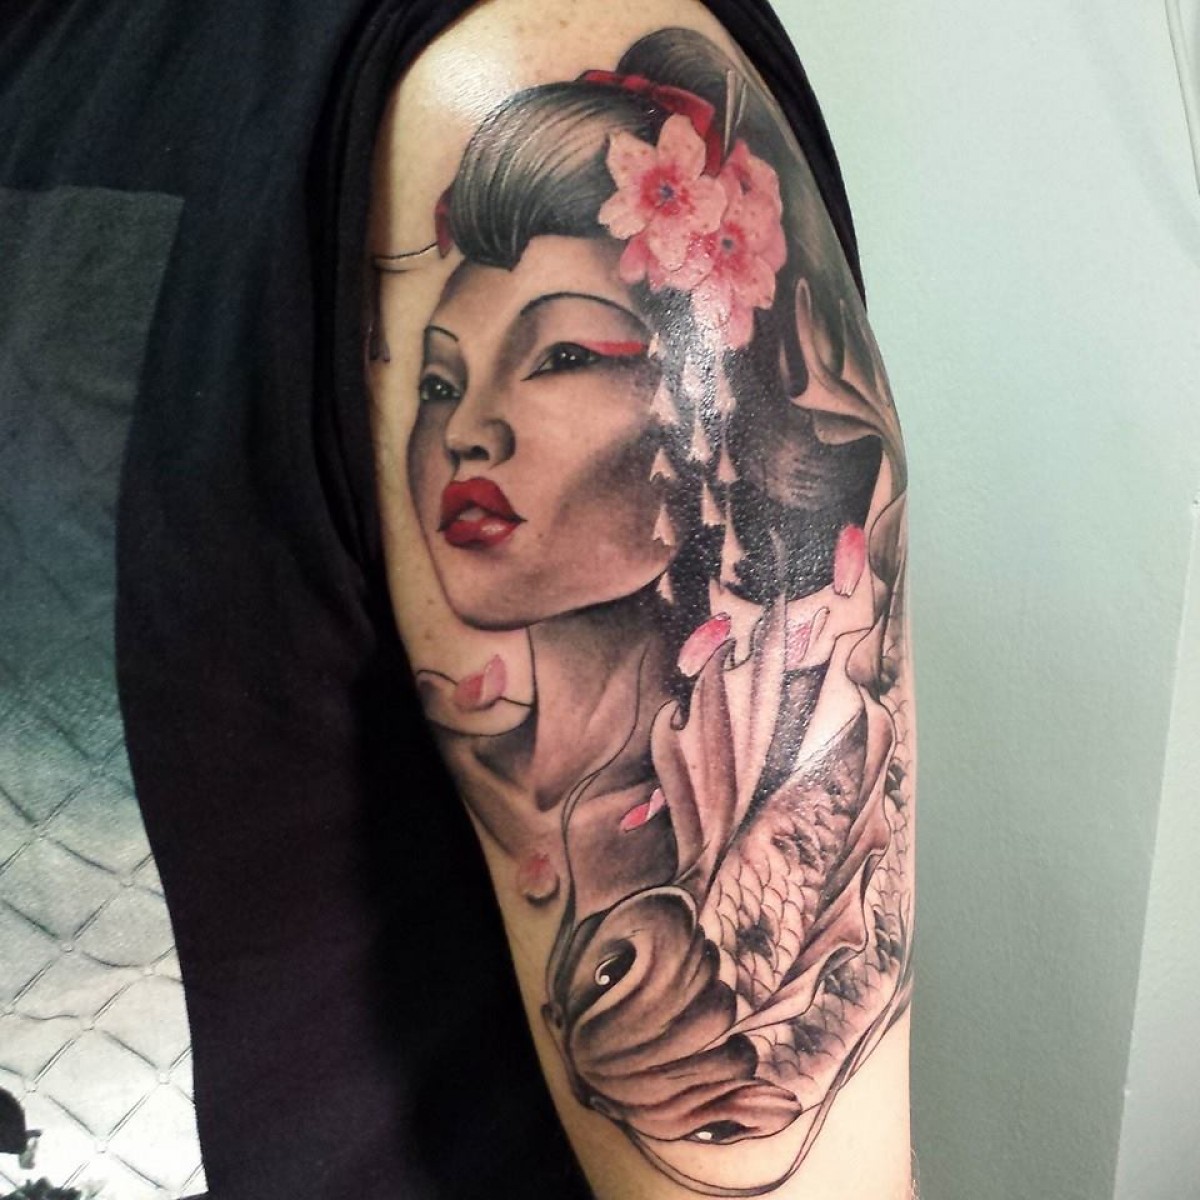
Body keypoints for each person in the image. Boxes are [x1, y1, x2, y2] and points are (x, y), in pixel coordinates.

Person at [370, 14, 914, 1197]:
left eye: (564, 355)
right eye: (440, 379)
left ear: (715, 410)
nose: (465, 431)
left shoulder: (783, 787)